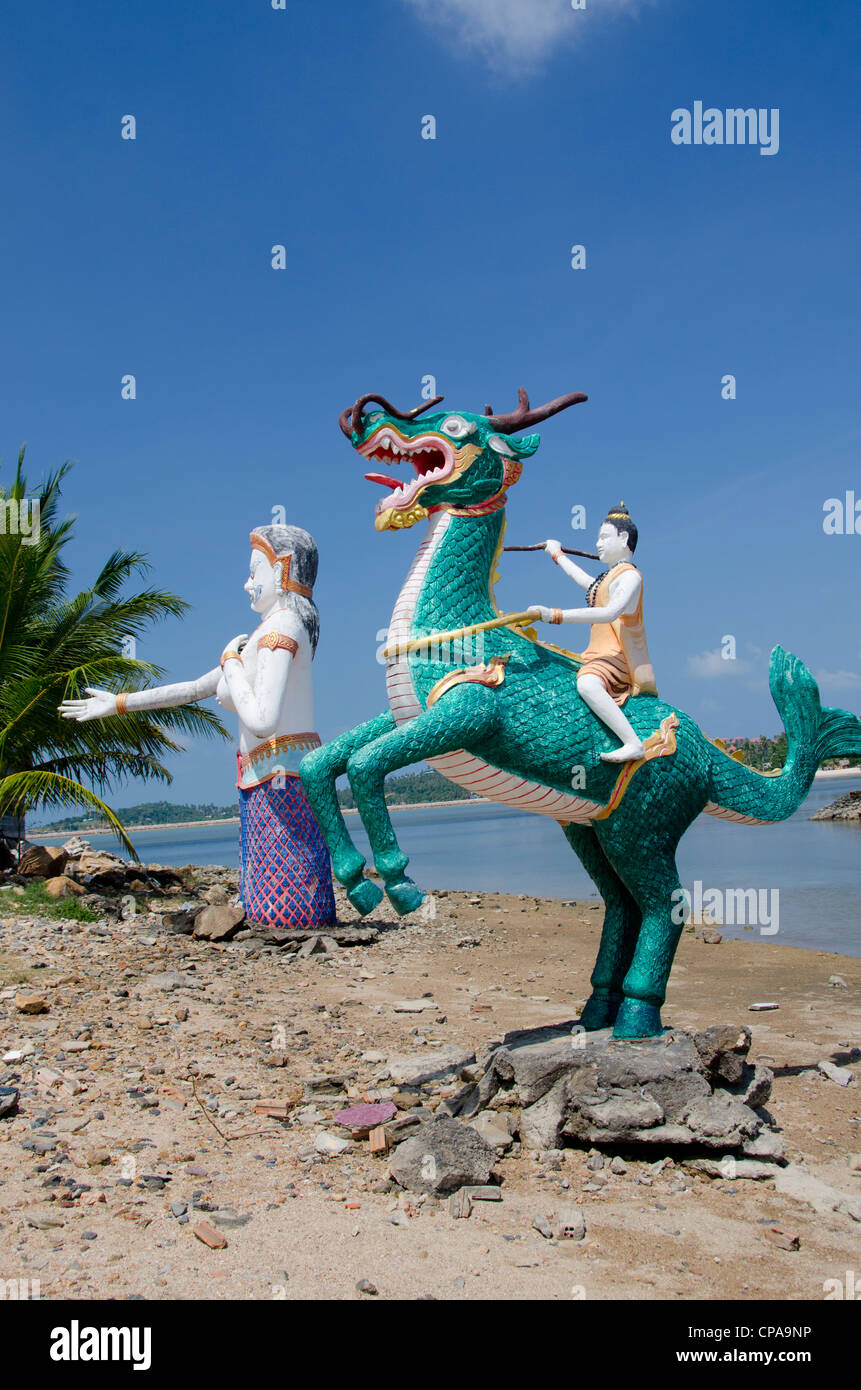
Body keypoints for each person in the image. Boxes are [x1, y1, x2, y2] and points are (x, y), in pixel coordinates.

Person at [59, 524, 336, 928]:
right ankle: (278, 922)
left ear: (280, 571)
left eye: (253, 572)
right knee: (268, 888)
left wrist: (230, 663)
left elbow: (262, 720)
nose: (246, 584)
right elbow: (193, 689)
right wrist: (118, 703)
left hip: (284, 775)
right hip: (265, 776)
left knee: (289, 894)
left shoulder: (282, 629)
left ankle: (292, 925)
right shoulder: (260, 636)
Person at [528, 503, 657, 762]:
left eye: (604, 537)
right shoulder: (609, 578)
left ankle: (632, 743)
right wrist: (557, 555)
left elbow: (609, 612)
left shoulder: (631, 577)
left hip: (618, 658)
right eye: (597, 538)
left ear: (623, 539)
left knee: (587, 683)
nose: (597, 543)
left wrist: (553, 615)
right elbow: (589, 585)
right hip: (595, 655)